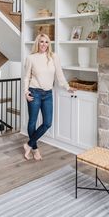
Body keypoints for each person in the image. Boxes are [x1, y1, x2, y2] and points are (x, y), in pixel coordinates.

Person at [23, 33, 76, 161]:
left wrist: (67, 87)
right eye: (41, 42)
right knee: (32, 122)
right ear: (37, 43)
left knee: (47, 123)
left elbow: (59, 74)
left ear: (49, 44)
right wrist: (26, 92)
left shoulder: (54, 57)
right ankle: (35, 150)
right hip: (34, 92)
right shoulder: (31, 58)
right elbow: (26, 77)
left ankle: (28, 144)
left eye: (46, 42)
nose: (44, 45)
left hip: (47, 94)